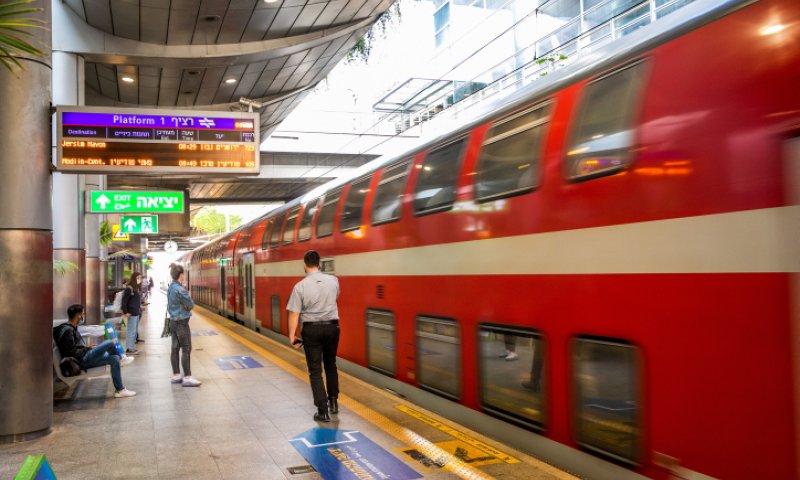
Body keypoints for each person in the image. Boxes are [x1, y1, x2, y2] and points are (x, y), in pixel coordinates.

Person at [288, 250, 340, 422]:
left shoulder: (300, 286)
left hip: (311, 330)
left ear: (305, 265)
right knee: (331, 364)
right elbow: (335, 297)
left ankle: (323, 411)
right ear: (319, 264)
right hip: (332, 327)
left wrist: (292, 336)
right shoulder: (333, 281)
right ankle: (333, 402)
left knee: (315, 370)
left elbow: (294, 314)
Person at [54, 304, 136, 398]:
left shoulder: (69, 327)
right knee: (110, 342)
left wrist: (87, 348)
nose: (83, 316)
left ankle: (120, 390)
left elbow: (73, 348)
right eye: (83, 314)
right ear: (78, 316)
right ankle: (122, 359)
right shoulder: (68, 331)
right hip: (81, 361)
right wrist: (87, 349)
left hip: (83, 357)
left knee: (114, 358)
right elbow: (71, 353)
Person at [167, 263, 201, 387]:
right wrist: (186, 306)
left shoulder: (171, 287)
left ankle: (176, 375)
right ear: (181, 275)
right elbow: (191, 304)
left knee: (175, 348)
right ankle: (187, 377)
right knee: (186, 348)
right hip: (182, 322)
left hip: (173, 321)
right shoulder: (180, 289)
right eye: (183, 274)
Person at [121, 272, 143, 355]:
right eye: (138, 277)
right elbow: (124, 301)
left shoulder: (136, 288)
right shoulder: (129, 288)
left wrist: (140, 307)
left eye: (140, 277)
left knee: (134, 331)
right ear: (134, 278)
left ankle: (131, 347)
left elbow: (135, 300)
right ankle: (129, 349)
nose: (139, 279)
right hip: (131, 313)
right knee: (131, 331)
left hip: (136, 312)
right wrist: (125, 312)